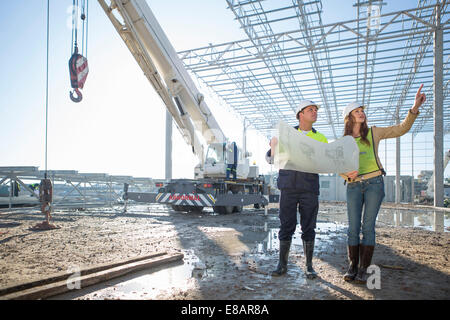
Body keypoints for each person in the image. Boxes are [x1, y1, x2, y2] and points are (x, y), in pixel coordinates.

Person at [341, 84, 426, 284]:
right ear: (349, 117)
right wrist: (346, 175)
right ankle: (352, 266)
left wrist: (414, 108)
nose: (361, 113)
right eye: (357, 111)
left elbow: (401, 129)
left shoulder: (374, 132)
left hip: (374, 184)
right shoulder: (343, 140)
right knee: (352, 228)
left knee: (368, 227)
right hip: (353, 186)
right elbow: (338, 166)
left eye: (362, 110)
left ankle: (364, 269)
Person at [266, 100, 328, 279]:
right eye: (311, 110)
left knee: (309, 226)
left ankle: (309, 266)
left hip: (309, 187)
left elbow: (326, 161)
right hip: (289, 187)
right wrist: (273, 147)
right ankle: (282, 264)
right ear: (300, 114)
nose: (315, 112)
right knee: (286, 225)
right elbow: (271, 159)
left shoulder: (321, 138)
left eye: (316, 110)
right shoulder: (286, 134)